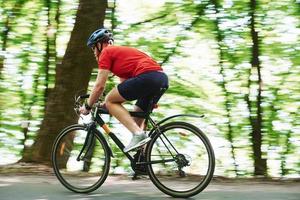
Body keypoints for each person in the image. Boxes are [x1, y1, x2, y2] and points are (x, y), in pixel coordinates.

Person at [79, 28, 169, 153]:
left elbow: (99, 86)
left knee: (110, 100)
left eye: (93, 48)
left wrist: (88, 106)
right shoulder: (120, 58)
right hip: (160, 79)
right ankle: (143, 159)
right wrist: (107, 106)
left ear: (100, 45)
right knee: (137, 119)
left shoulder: (106, 52)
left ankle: (138, 135)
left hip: (148, 76)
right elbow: (123, 91)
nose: (93, 52)